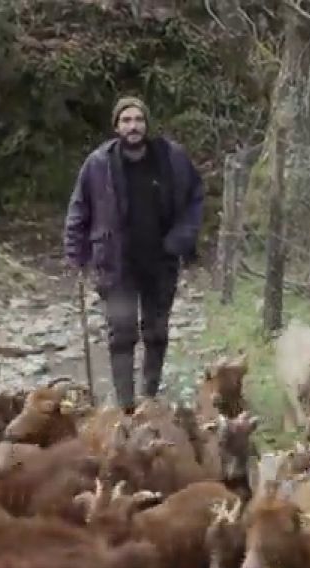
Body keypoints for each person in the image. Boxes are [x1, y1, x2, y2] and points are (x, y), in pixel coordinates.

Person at [63, 96, 205, 413]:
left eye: (138, 120)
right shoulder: (98, 164)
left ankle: (150, 398)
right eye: (126, 120)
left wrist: (181, 239)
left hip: (161, 261)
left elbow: (194, 200)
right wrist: (76, 255)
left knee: (156, 332)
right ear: (116, 127)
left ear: (147, 124)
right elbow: (79, 210)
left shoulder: (172, 158)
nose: (133, 126)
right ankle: (126, 406)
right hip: (116, 263)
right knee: (121, 333)